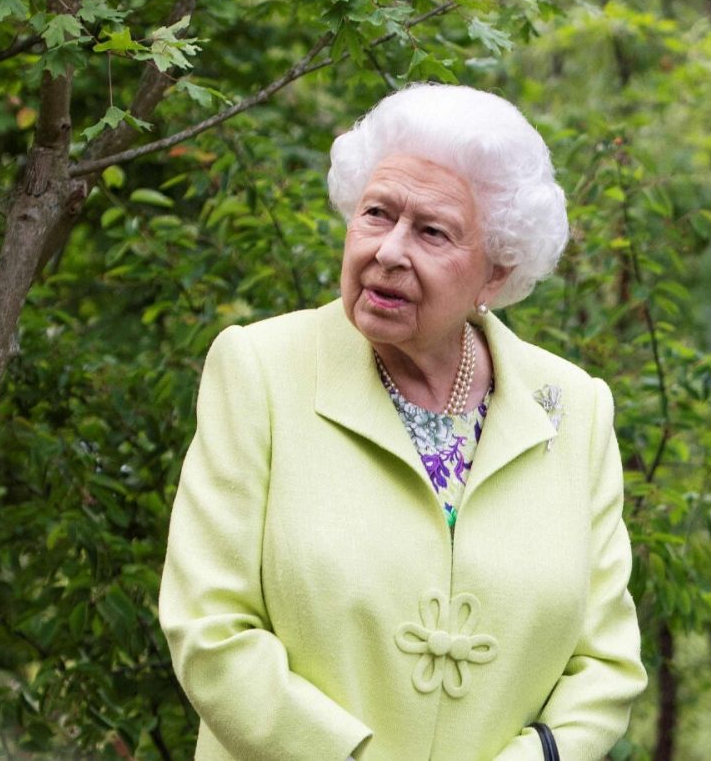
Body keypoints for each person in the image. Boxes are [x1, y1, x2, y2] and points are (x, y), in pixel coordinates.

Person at [158, 84, 646, 761]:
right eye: (377, 213)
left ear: (495, 274)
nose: (388, 251)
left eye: (431, 231)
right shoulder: (261, 370)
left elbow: (606, 661)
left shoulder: (574, 407)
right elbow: (211, 632)